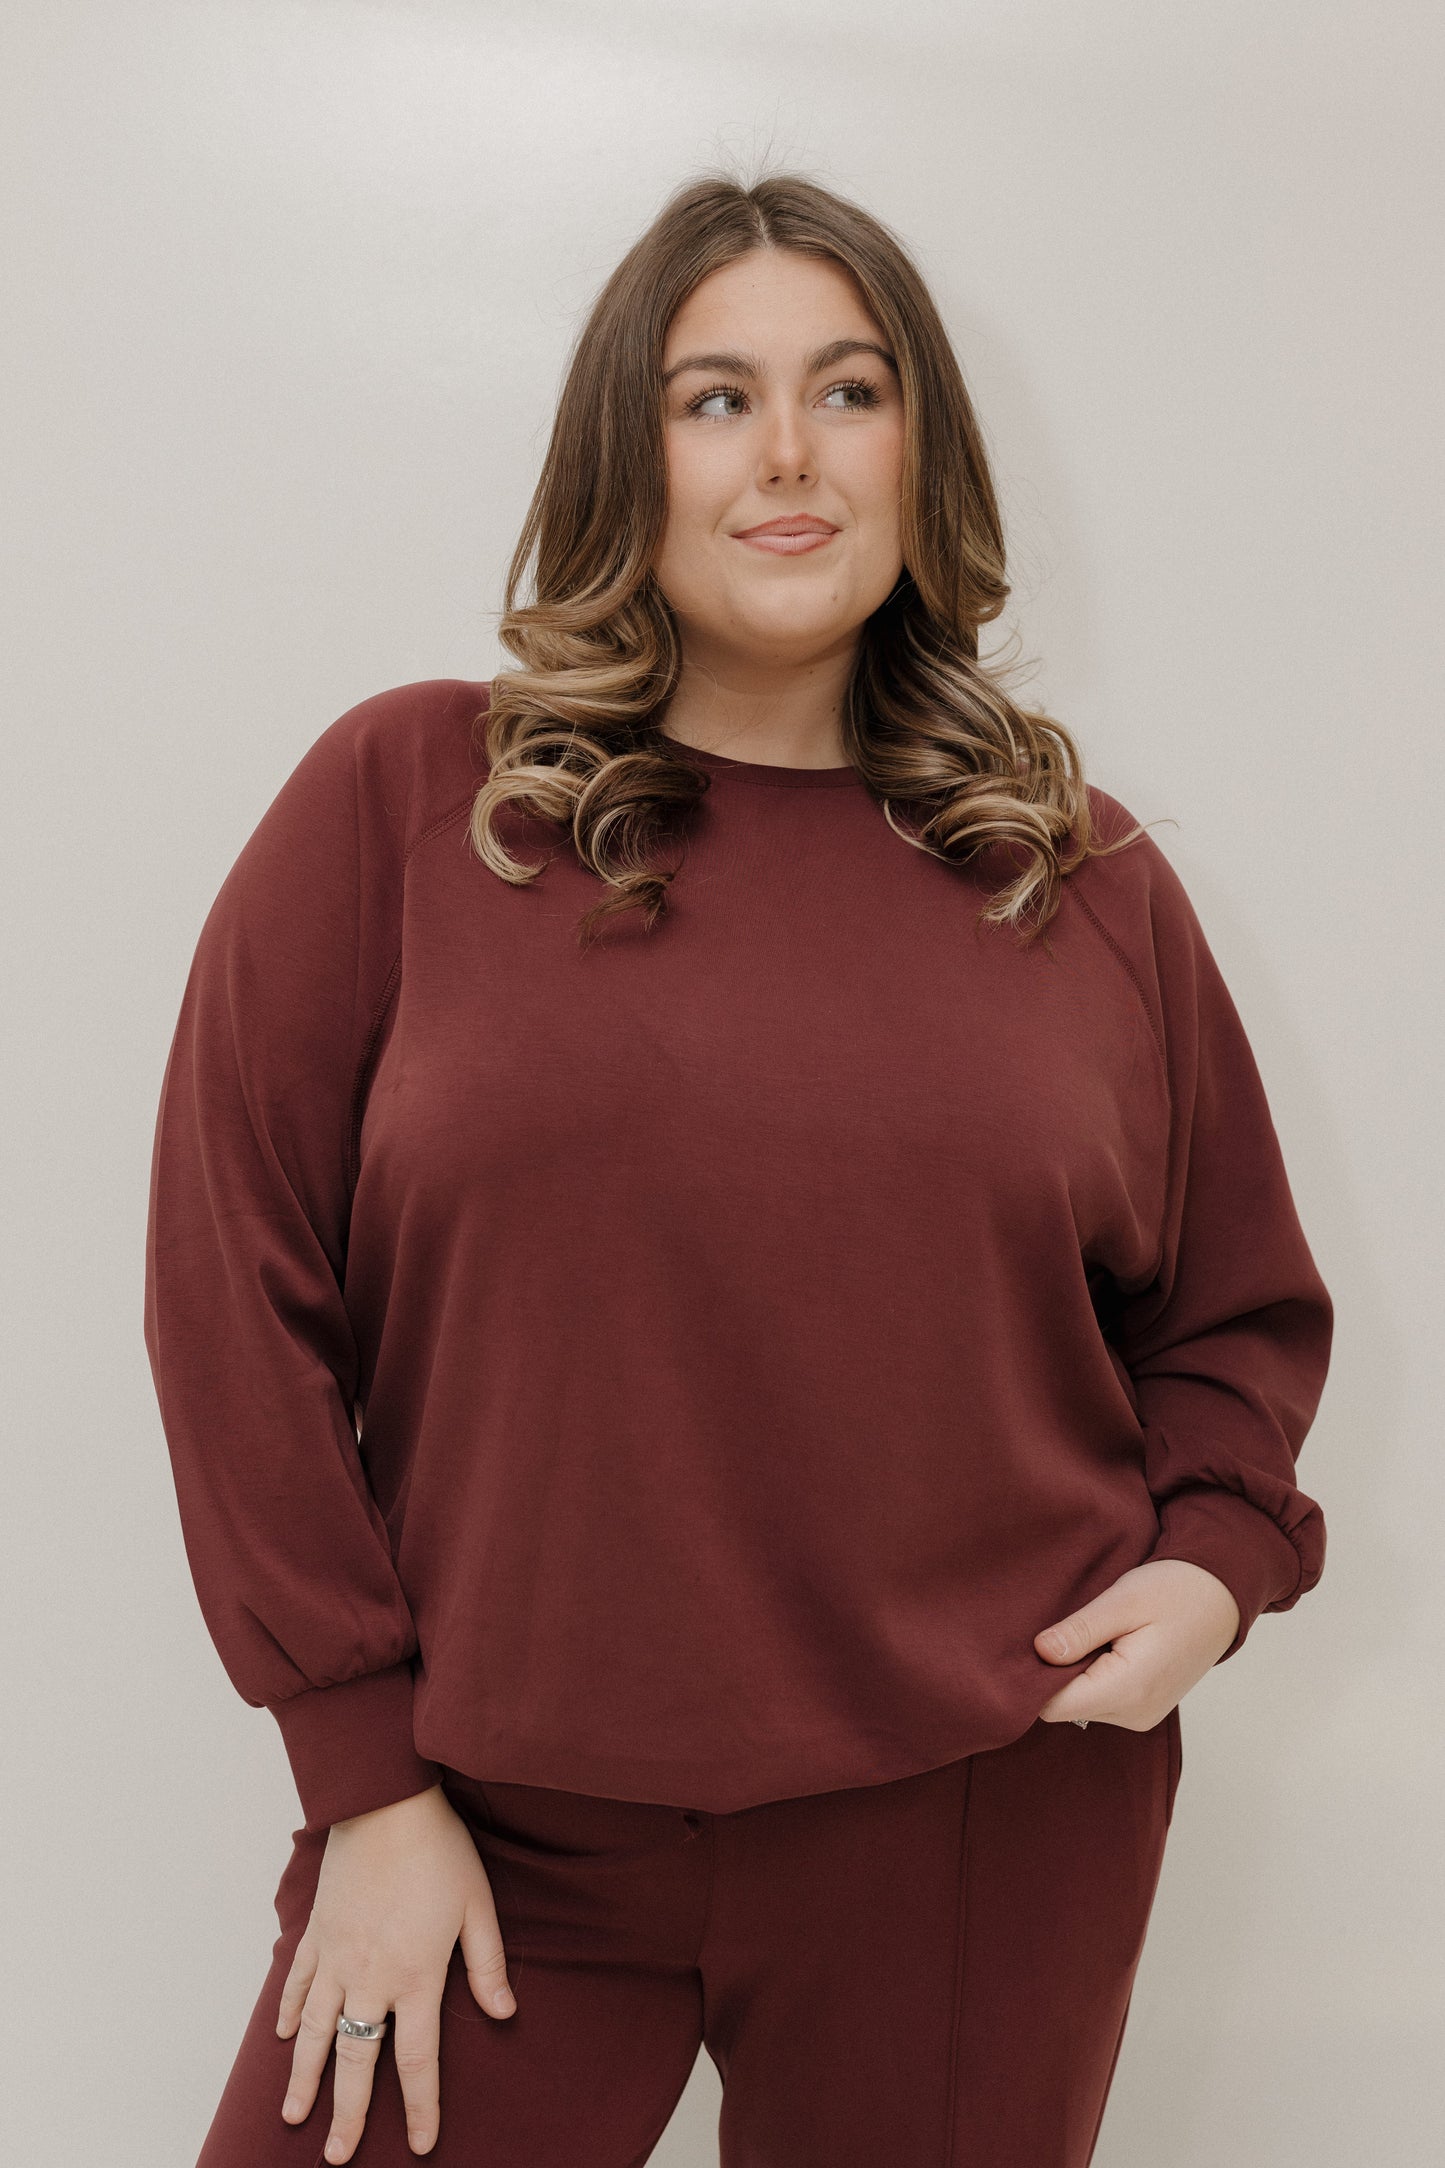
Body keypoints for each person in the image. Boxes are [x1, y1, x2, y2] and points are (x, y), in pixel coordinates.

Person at [142, 171, 1333, 2168]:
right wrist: (362, 1779)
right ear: (630, 453)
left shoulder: (1084, 878)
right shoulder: (413, 806)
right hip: (488, 1822)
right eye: (715, 398)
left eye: (847, 391)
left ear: (919, 451)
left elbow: (1234, 1312)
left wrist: (1216, 1561)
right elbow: (231, 1285)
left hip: (975, 1813)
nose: (786, 453)